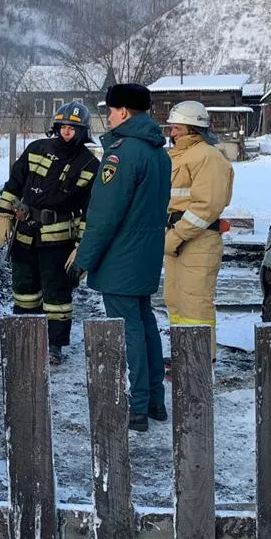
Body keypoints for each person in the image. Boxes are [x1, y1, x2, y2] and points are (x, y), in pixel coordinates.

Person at [73, 83, 171, 431]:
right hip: (145, 252)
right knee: (145, 322)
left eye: (111, 110)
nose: (108, 116)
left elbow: (104, 214)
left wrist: (83, 260)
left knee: (129, 326)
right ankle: (155, 400)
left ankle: (138, 406)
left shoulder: (122, 154)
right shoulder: (158, 152)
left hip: (121, 256)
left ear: (125, 112)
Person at [0, 101, 99, 364]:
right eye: (63, 126)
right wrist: (4, 215)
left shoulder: (89, 164)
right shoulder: (36, 148)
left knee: (57, 296)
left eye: (72, 128)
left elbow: (90, 210)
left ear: (82, 131)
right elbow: (14, 183)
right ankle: (24, 337)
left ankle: (54, 345)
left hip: (59, 240)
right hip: (24, 234)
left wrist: (81, 246)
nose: (66, 132)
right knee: (24, 291)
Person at [163, 100, 234, 357]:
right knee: (176, 300)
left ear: (192, 128)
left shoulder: (208, 157)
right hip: (179, 239)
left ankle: (200, 360)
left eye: (177, 128)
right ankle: (183, 356)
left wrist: (178, 235)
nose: (172, 133)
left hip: (197, 241)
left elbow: (207, 206)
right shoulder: (180, 156)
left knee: (195, 303)